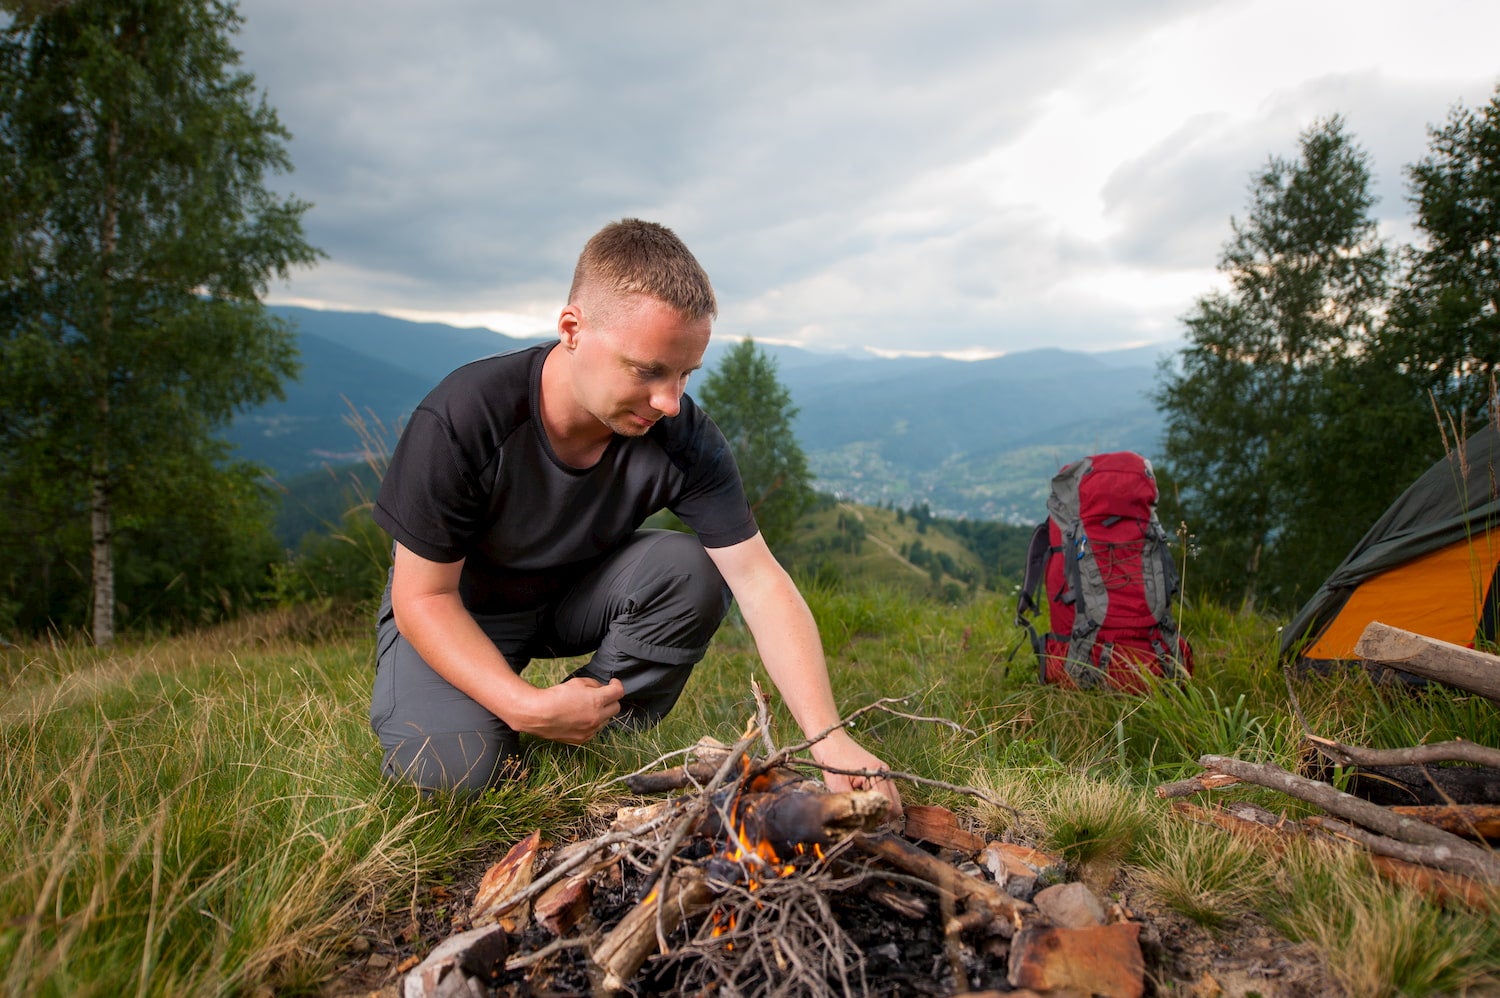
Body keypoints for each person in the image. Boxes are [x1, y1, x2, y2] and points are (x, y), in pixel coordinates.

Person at [369, 218, 901, 815]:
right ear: (572, 329)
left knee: (696, 568)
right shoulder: (465, 416)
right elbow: (423, 598)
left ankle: (594, 740)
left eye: (685, 374)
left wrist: (829, 742)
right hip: (456, 614)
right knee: (452, 777)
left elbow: (757, 580)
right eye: (648, 370)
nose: (670, 402)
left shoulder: (682, 436)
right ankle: (517, 721)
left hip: (571, 599)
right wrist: (522, 704)